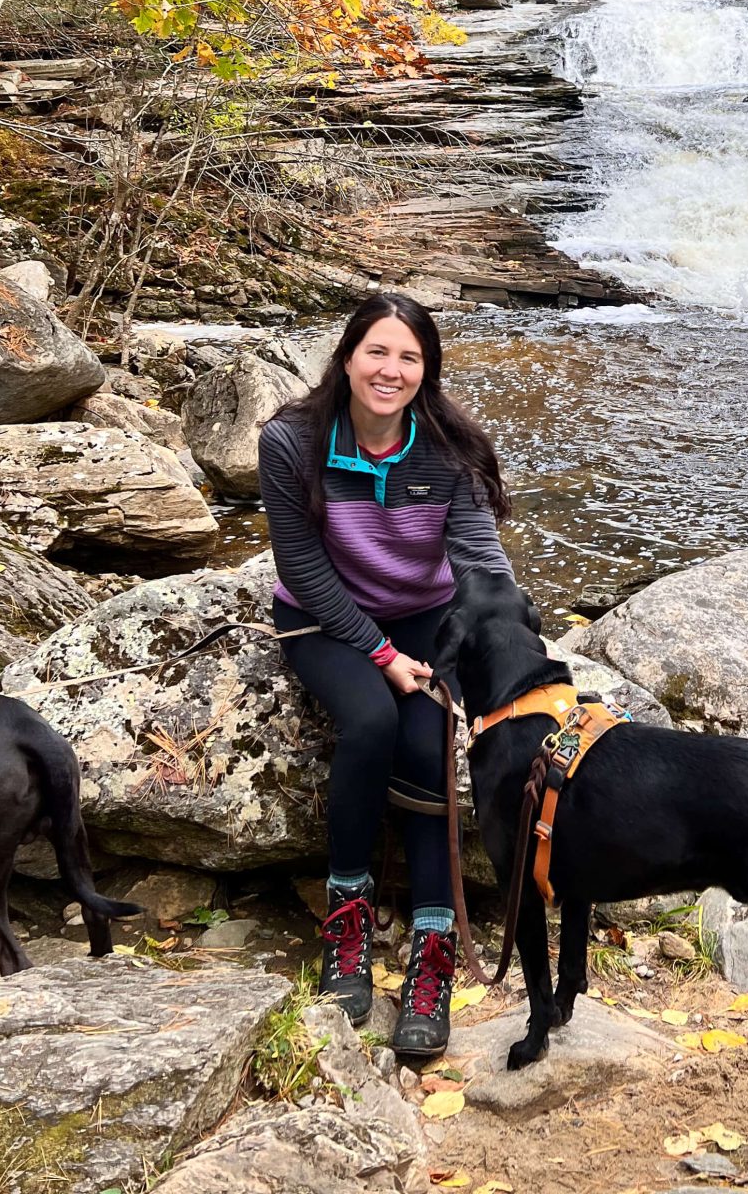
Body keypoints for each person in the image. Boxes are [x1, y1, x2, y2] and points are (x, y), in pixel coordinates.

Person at [258, 291, 514, 1060]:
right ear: (346, 356)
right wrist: (381, 655)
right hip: (321, 615)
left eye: (409, 357)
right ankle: (348, 915)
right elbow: (301, 564)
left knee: (430, 737)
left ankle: (432, 948)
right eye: (377, 351)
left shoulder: (449, 449)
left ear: (426, 370)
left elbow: (479, 560)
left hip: (426, 617)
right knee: (370, 722)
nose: (391, 370)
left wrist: (512, 650)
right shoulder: (291, 442)